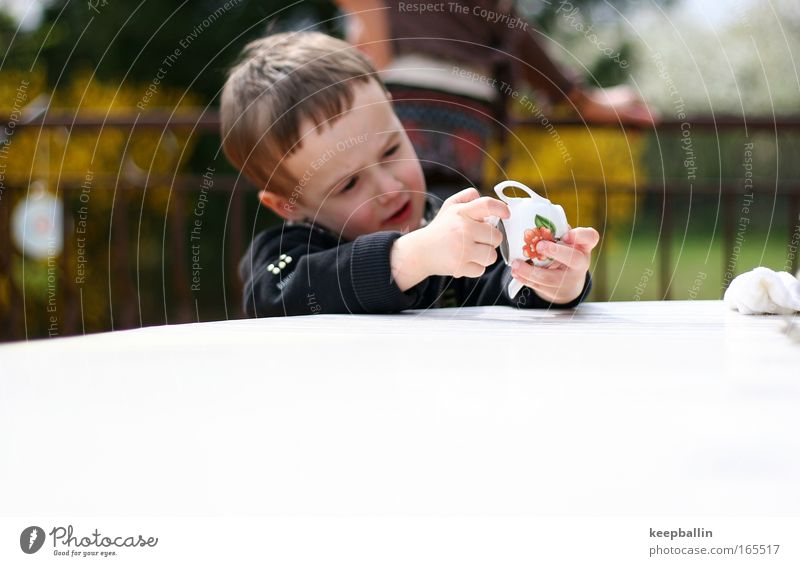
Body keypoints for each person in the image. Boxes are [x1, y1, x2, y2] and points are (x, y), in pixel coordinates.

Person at [220, 31, 599, 317]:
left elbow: (497, 291)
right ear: (289, 204)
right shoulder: (288, 252)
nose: (389, 188)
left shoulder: (437, 225)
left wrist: (549, 284)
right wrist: (408, 258)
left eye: (390, 151)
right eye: (349, 184)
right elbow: (273, 297)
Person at [335, 0, 654, 195]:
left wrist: (376, 56)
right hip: (466, 100)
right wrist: (581, 100)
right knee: (450, 212)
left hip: (404, 89)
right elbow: (512, 29)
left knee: (395, 209)